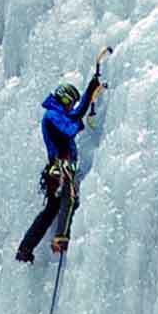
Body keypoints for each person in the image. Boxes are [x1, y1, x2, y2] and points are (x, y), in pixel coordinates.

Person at [16, 65, 104, 263]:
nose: (71, 106)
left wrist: (91, 89)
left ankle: (25, 248)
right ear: (63, 98)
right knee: (69, 199)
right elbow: (70, 128)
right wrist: (82, 120)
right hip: (61, 167)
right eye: (69, 102)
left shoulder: (57, 113)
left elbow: (75, 114)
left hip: (55, 169)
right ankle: (60, 238)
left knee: (51, 210)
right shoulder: (52, 116)